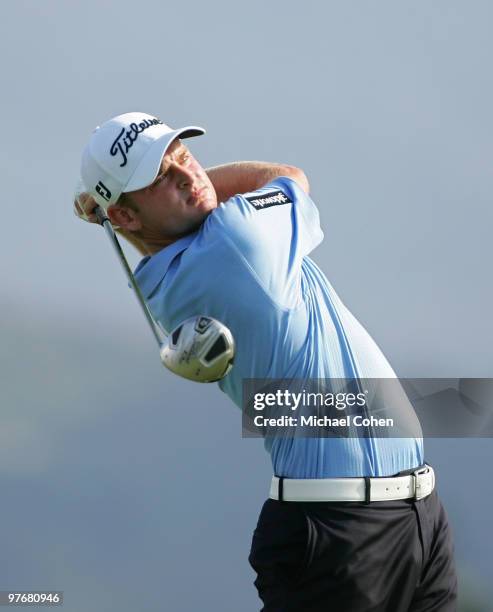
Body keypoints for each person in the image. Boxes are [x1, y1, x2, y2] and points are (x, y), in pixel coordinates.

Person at [75, 112, 458, 611]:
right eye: (162, 178)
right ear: (125, 217)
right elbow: (286, 177)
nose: (190, 177)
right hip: (338, 532)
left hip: (411, 513)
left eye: (185, 157)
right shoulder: (235, 241)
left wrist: (123, 208)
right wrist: (149, 200)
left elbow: (163, 229)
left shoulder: (166, 274)